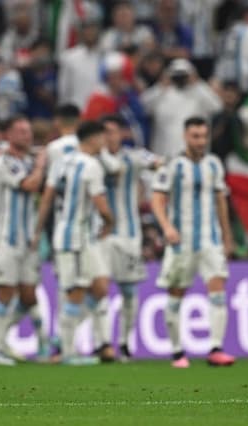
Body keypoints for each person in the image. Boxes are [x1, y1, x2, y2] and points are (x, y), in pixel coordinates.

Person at [151, 116, 236, 368]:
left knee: (218, 290)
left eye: (203, 136)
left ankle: (216, 349)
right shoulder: (173, 166)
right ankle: (177, 352)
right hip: (181, 241)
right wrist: (167, 227)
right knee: (176, 294)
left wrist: (227, 236)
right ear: (185, 137)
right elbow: (157, 199)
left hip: (210, 240)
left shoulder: (214, 164)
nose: (200, 141)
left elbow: (221, 200)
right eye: (195, 136)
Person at [43, 121, 114, 363]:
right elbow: (100, 202)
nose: (104, 143)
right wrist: (109, 221)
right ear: (92, 139)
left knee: (100, 287)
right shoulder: (91, 165)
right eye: (102, 138)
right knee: (75, 292)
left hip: (79, 237)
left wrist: (38, 229)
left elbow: (47, 197)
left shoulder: (61, 162)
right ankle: (67, 352)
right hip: (73, 239)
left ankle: (63, 340)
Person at [99, 115, 163, 361]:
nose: (109, 137)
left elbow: (158, 163)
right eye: (104, 132)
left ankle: (125, 342)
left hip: (128, 235)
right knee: (100, 289)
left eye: (113, 132)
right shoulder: (93, 159)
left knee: (128, 291)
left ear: (122, 134)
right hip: (100, 235)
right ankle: (103, 343)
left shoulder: (134, 156)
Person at [0, 116, 48, 366]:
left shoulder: (29, 161)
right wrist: (42, 164)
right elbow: (30, 184)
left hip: (28, 239)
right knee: (5, 293)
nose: (26, 135)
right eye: (20, 131)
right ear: (7, 135)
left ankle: (42, 346)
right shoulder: (2, 162)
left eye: (28, 130)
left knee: (28, 296)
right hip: (6, 239)